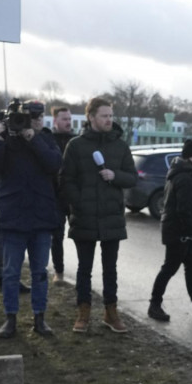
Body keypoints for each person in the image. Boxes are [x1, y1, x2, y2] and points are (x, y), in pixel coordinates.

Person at [0, 100, 63, 338]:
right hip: (13, 217)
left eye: (39, 117)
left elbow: (54, 164)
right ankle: (10, 318)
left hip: (41, 216)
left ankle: (40, 318)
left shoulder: (45, 139)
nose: (36, 121)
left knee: (40, 272)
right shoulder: (6, 141)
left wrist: (33, 139)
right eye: (31, 118)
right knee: (10, 273)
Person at [61, 96, 137, 333]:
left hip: (112, 217)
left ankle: (110, 312)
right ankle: (83, 313)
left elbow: (132, 178)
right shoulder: (76, 146)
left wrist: (115, 176)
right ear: (91, 117)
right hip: (84, 217)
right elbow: (66, 180)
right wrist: (78, 204)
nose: (109, 120)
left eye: (111, 116)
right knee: (84, 269)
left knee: (110, 269)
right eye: (104, 116)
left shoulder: (120, 146)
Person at [146, 138, 192, 322]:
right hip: (179, 232)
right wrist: (189, 233)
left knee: (191, 267)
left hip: (179, 230)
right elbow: (184, 209)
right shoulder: (185, 178)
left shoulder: (183, 174)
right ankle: (154, 305)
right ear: (190, 158)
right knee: (170, 268)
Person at [49, 106, 76, 284]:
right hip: (55, 197)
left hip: (73, 196)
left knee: (80, 236)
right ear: (55, 121)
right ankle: (59, 271)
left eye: (69, 119)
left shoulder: (76, 140)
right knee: (57, 237)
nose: (68, 122)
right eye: (64, 119)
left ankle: (83, 273)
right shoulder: (49, 140)